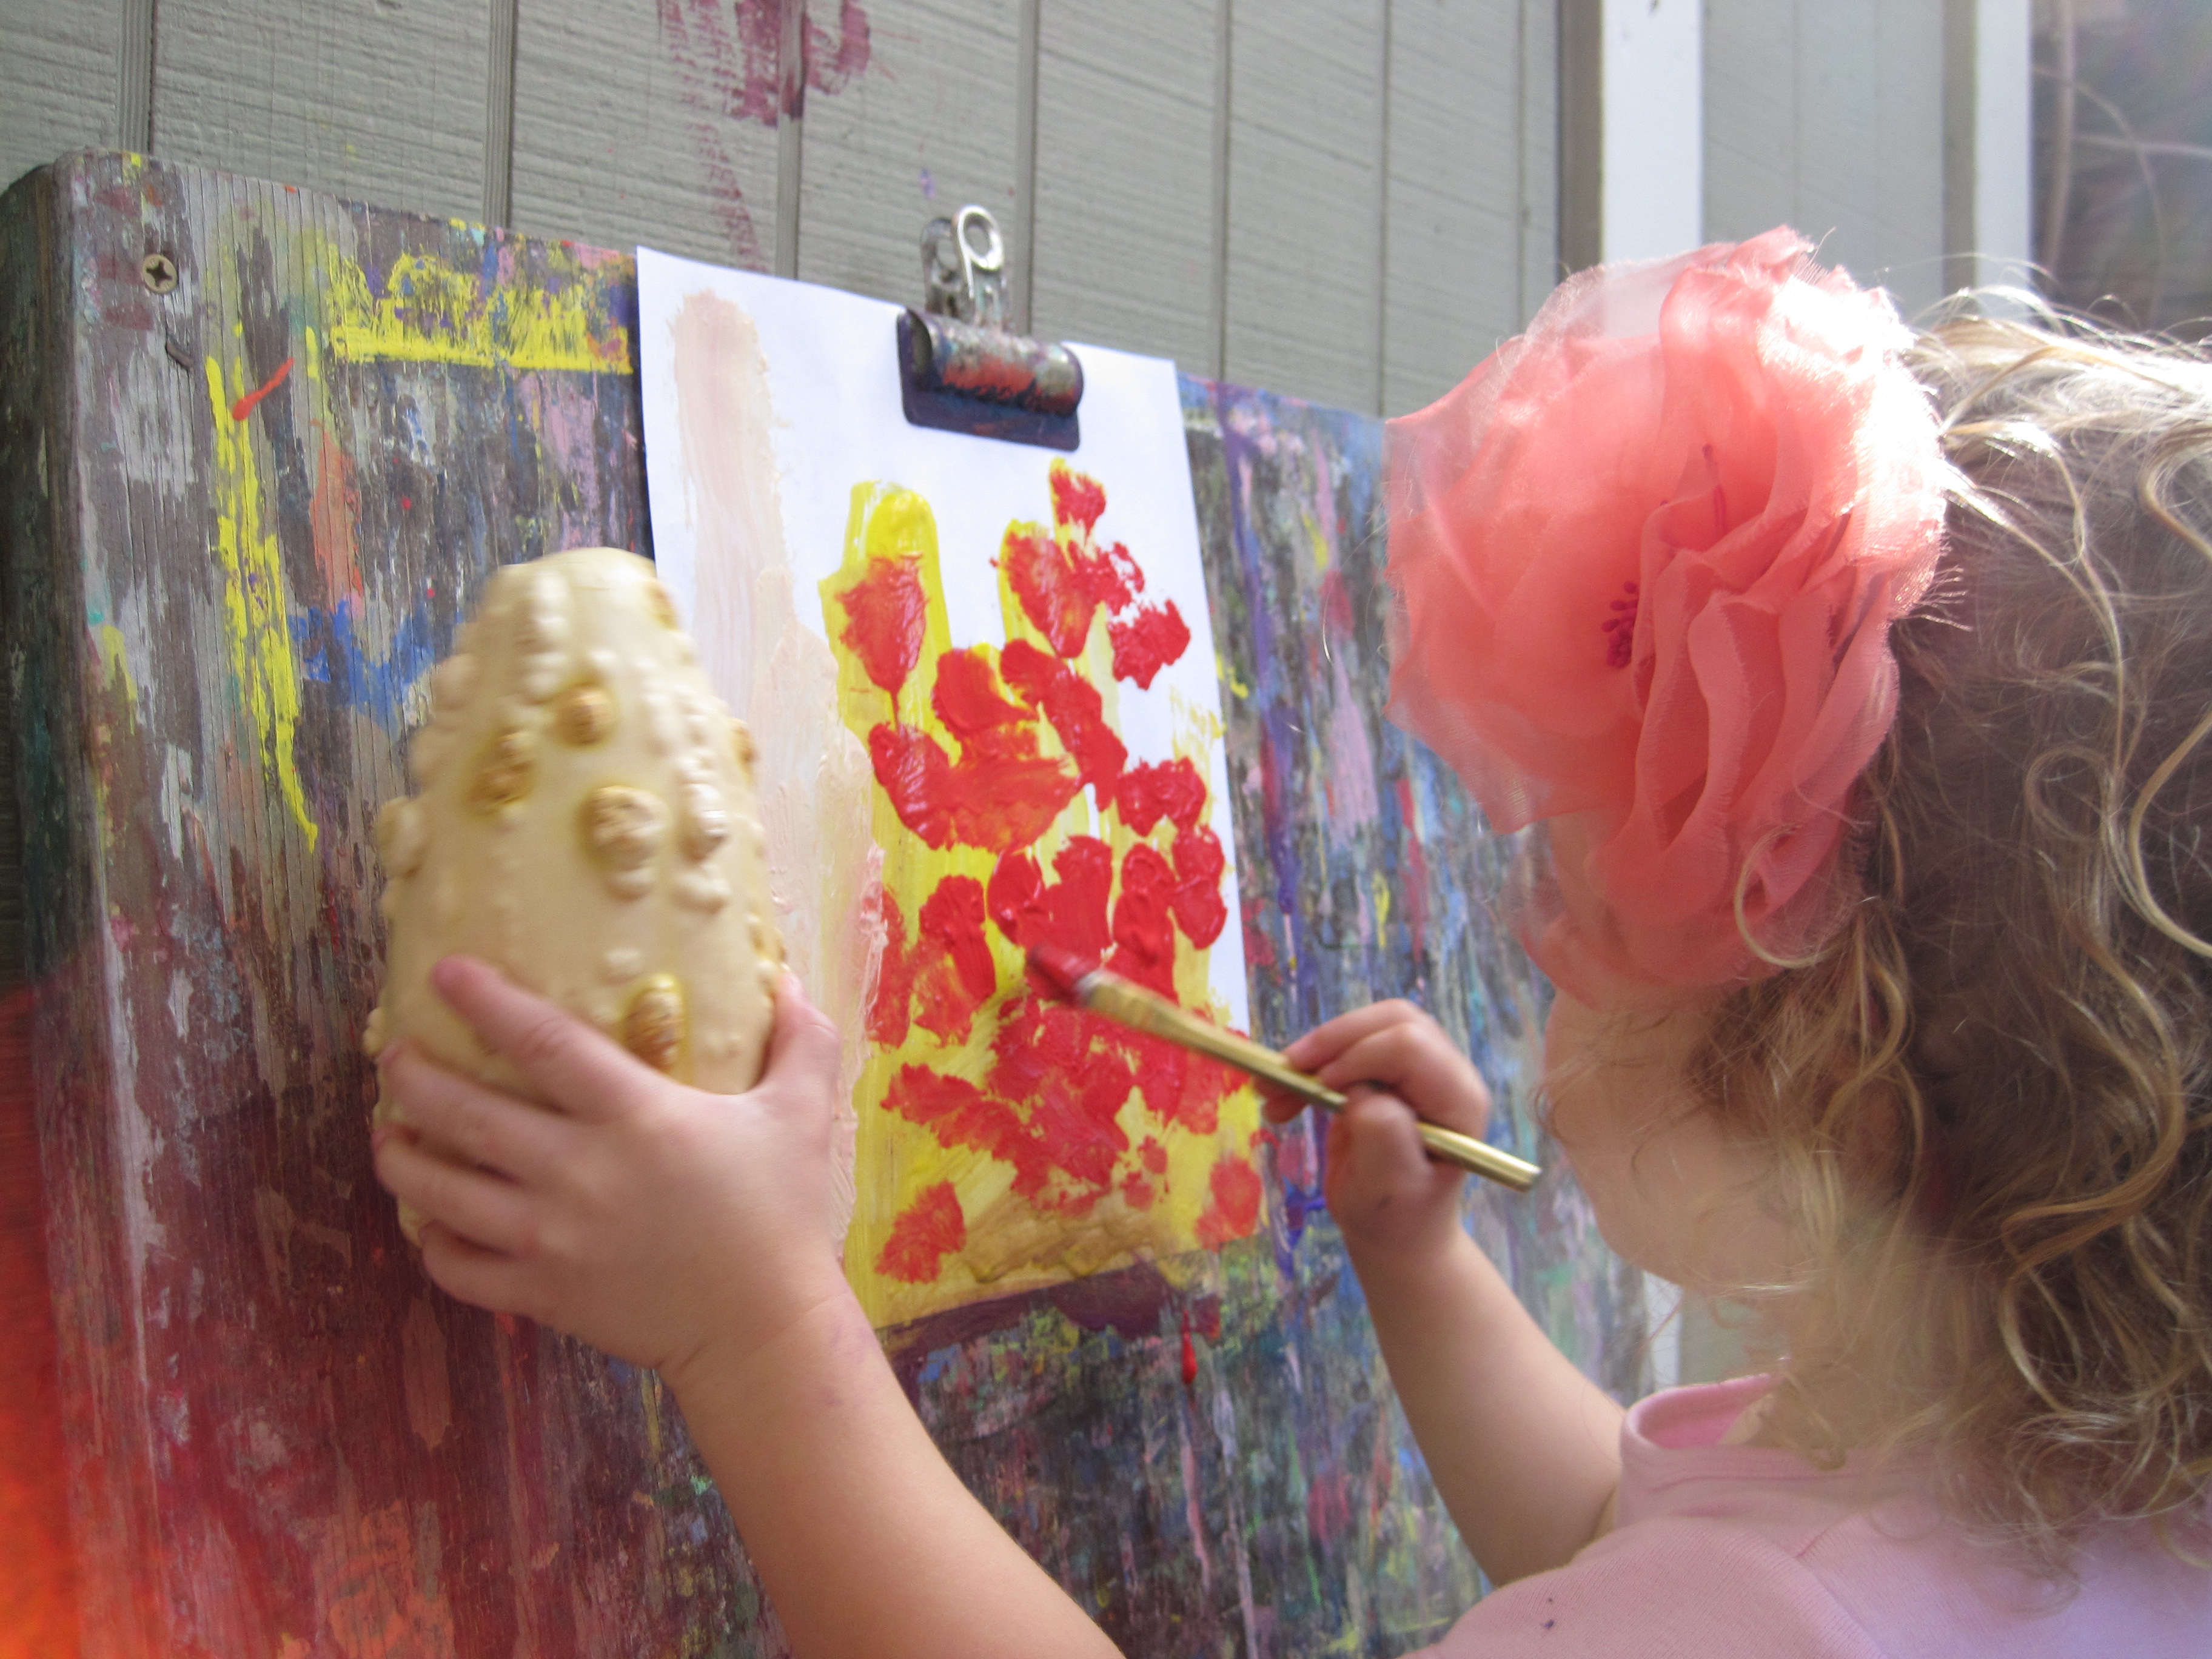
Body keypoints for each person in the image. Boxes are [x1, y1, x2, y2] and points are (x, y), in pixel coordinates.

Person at [371, 228, 2212, 1655]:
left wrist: (760, 1324)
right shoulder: (2015, 1486)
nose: (1532, 941)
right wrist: (1423, 1264)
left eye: (1594, 900)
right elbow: (1613, 1539)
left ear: (1842, 1084)